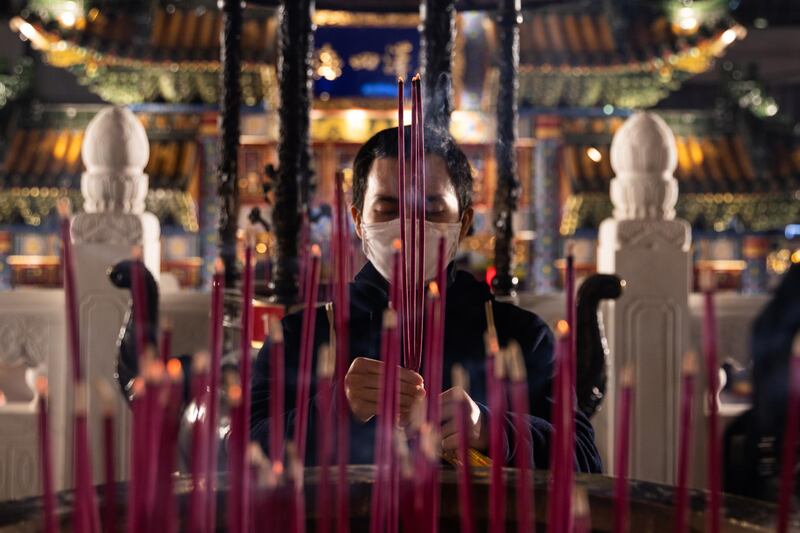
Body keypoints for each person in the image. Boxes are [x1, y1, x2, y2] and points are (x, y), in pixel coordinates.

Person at [250, 125, 602, 473]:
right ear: (358, 220)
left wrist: (489, 429)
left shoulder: (518, 335)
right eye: (388, 209)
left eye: (431, 210)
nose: (409, 226)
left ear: (463, 223)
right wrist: (332, 408)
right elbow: (239, 456)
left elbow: (585, 460)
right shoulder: (302, 335)